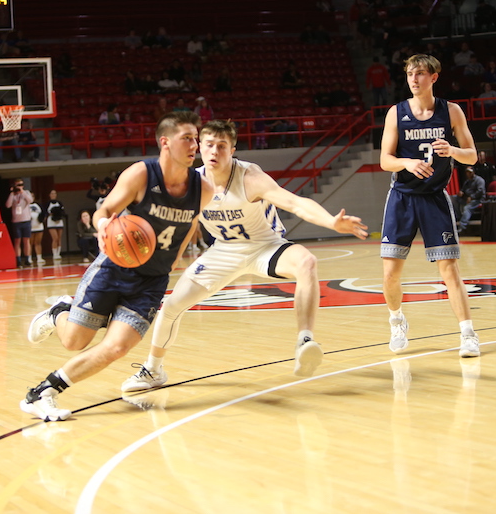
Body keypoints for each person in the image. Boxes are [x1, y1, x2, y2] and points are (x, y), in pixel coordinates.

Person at [121, 119, 368, 392]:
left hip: (265, 246)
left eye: (222, 146)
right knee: (171, 306)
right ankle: (154, 369)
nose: (215, 151)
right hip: (224, 251)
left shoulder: (250, 177)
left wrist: (331, 222)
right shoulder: (192, 182)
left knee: (306, 262)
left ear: (232, 150)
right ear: (200, 147)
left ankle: (305, 341)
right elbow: (186, 222)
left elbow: (294, 202)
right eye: (210, 145)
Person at [20, 112, 213, 421]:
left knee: (117, 348)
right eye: (187, 138)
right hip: (115, 269)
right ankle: (58, 312)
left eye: (196, 138)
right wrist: (103, 226)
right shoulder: (141, 174)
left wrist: (178, 254)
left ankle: (42, 393)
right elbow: (105, 209)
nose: (195, 145)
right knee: (73, 342)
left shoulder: (203, 188)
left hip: (152, 281)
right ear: (165, 142)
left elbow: (191, 221)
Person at [379, 53, 481, 359]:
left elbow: (472, 156)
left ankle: (468, 334)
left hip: (435, 198)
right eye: (410, 73)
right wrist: (407, 163)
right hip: (402, 198)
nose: (413, 79)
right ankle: (397, 320)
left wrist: (452, 150)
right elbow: (385, 160)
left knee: (449, 270)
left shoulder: (451, 112)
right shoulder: (396, 113)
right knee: (390, 273)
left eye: (420, 73)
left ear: (433, 77)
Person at [6, 178, 34, 267]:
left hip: (26, 220)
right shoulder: (13, 195)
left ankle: (27, 259)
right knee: (17, 241)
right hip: (16, 221)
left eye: (21, 185)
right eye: (17, 185)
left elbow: (30, 200)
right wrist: (12, 193)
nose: (19, 187)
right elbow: (8, 205)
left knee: (26, 241)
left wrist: (22, 192)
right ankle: (18, 260)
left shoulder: (26, 193)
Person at [454, 166, 485, 233]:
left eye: (470, 172)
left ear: (473, 172)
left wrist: (471, 197)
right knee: (454, 198)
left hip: (478, 199)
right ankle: (458, 217)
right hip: (467, 198)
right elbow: (463, 189)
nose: (468, 174)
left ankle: (462, 226)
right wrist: (461, 192)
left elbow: (480, 191)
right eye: (467, 172)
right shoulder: (467, 182)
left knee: (467, 208)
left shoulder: (479, 180)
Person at [45, 190, 65, 261]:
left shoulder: (59, 203)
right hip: (51, 222)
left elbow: (63, 211)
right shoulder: (47, 203)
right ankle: (54, 254)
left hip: (59, 221)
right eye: (52, 193)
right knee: (55, 238)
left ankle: (58, 253)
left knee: (59, 238)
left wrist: (58, 213)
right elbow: (45, 212)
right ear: (49, 195)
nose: (53, 195)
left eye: (54, 193)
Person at [29, 201, 46, 266]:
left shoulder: (38, 205)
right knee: (30, 243)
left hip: (39, 226)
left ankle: (39, 258)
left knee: (38, 243)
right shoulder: (26, 205)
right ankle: (29, 258)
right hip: (30, 227)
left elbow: (43, 213)